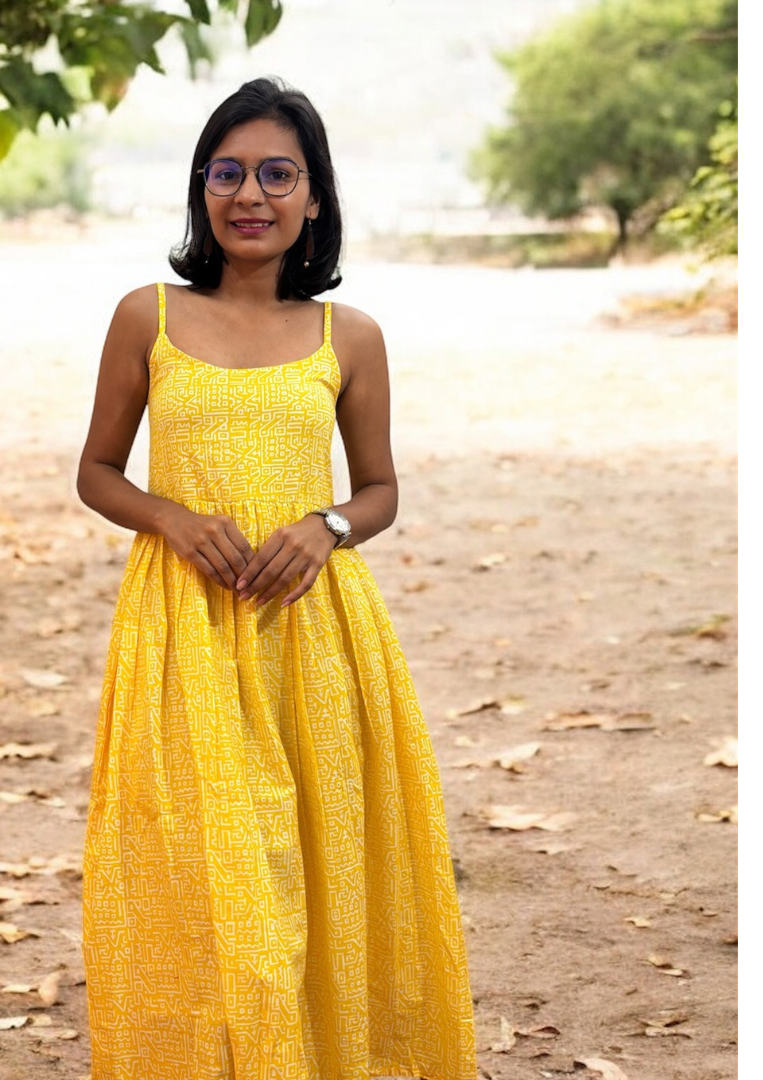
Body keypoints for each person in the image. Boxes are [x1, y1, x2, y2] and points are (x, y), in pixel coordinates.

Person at [76, 76, 476, 1080]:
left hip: (315, 636)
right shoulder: (148, 318)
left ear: (313, 199)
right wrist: (167, 516)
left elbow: (380, 489)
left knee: (323, 862)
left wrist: (327, 526)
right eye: (228, 172)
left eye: (276, 174)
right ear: (201, 191)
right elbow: (96, 471)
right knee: (208, 879)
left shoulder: (352, 338)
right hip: (185, 636)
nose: (249, 193)